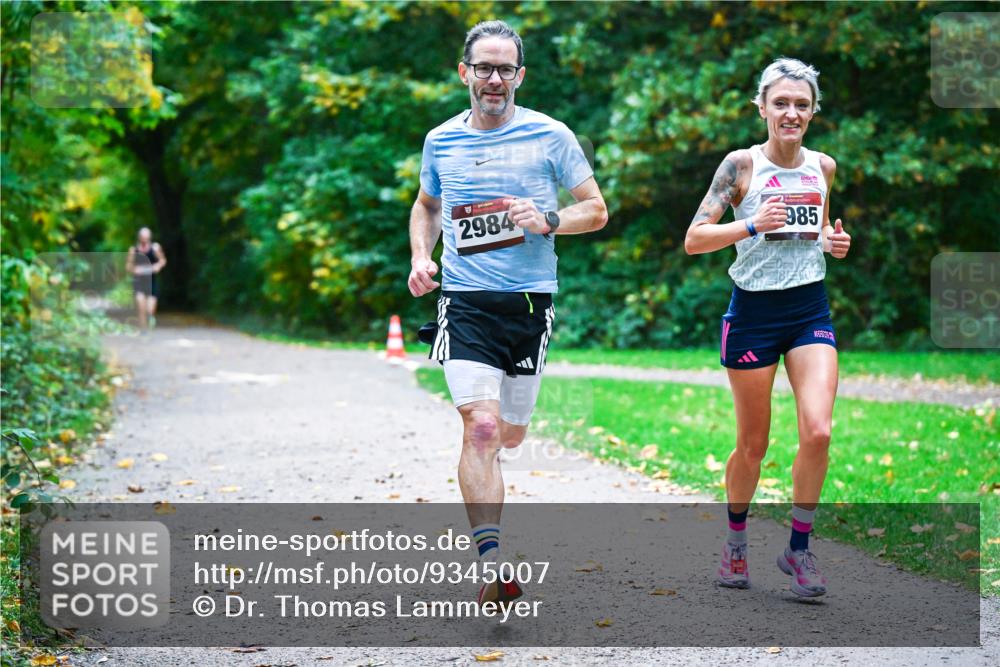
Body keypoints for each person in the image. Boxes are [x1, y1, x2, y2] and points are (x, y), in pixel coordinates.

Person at [408, 20, 608, 606]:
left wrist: (549, 220)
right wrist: (422, 256)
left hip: (529, 305)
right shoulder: (440, 140)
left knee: (512, 436)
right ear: (464, 72)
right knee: (483, 427)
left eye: (505, 69)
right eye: (484, 67)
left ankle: (495, 520)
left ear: (519, 76)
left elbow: (595, 210)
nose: (494, 79)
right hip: (465, 303)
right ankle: (491, 562)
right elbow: (426, 205)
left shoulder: (551, 136)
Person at [684, 58, 852, 597]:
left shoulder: (822, 167)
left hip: (809, 310)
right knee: (753, 446)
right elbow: (694, 238)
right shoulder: (741, 166)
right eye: (781, 103)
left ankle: (798, 549)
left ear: (813, 112)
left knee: (819, 431)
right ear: (762, 108)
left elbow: (817, 231)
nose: (791, 113)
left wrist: (833, 242)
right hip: (753, 314)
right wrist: (753, 222)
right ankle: (736, 545)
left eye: (801, 104)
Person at [126, 227, 166, 332]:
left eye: (146, 238)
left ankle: (150, 318)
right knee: (141, 306)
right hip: (139, 281)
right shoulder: (133, 250)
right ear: (139, 238)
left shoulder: (155, 247)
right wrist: (135, 269)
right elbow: (128, 266)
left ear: (149, 237)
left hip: (151, 280)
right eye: (143, 237)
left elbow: (162, 260)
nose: (144, 240)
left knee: (149, 309)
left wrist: (157, 266)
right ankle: (143, 329)